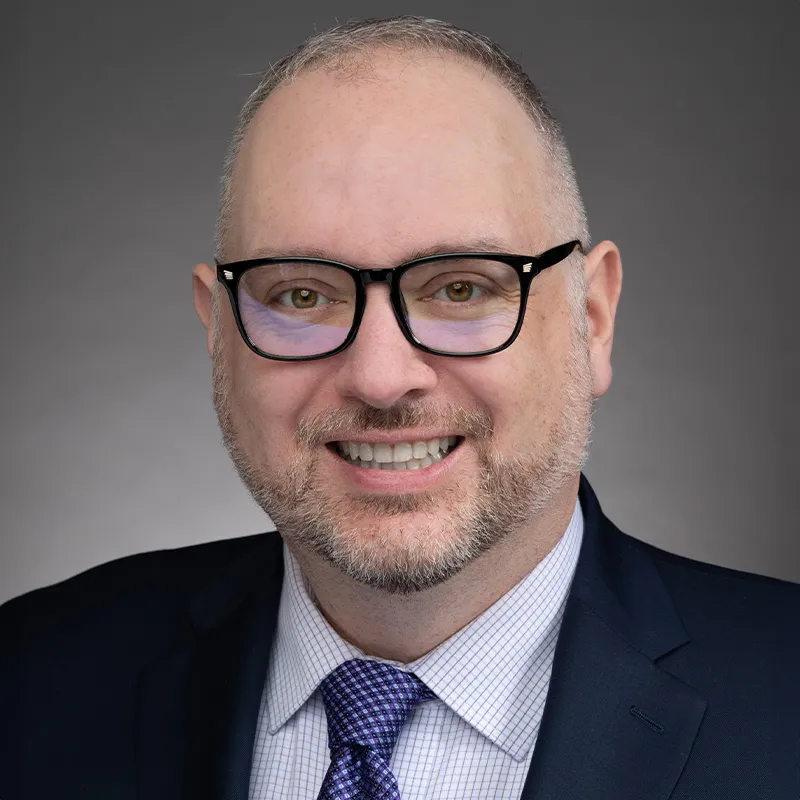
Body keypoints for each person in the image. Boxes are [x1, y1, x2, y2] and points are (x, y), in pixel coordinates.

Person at [1, 14, 798, 800]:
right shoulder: (31, 681)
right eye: (302, 294)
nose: (381, 379)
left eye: (461, 288)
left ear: (592, 319)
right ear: (219, 333)